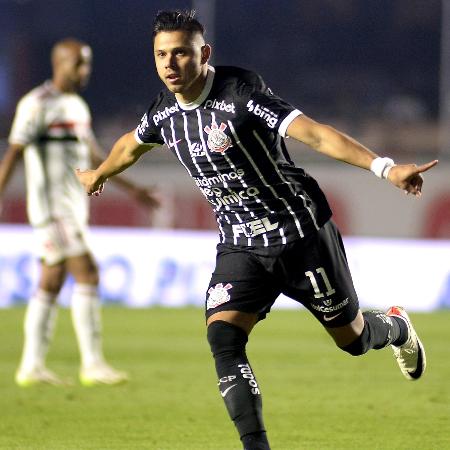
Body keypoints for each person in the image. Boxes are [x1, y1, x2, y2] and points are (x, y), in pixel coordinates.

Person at [76, 10, 437, 449]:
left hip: (301, 235)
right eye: (161, 55)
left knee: (354, 340)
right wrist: (101, 173)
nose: (170, 64)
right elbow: (129, 145)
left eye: (181, 54)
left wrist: (385, 168)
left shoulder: (241, 94)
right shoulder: (164, 113)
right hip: (241, 246)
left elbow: (316, 136)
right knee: (223, 338)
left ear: (203, 53)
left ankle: (395, 326)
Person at [0, 38, 158, 387]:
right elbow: (13, 154)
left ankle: (31, 367)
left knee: (51, 281)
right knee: (88, 272)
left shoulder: (76, 107)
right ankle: (93, 364)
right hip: (52, 208)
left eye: (87, 63)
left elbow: (95, 158)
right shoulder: (36, 104)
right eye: (79, 63)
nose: (85, 70)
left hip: (73, 207)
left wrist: (134, 191)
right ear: (60, 63)